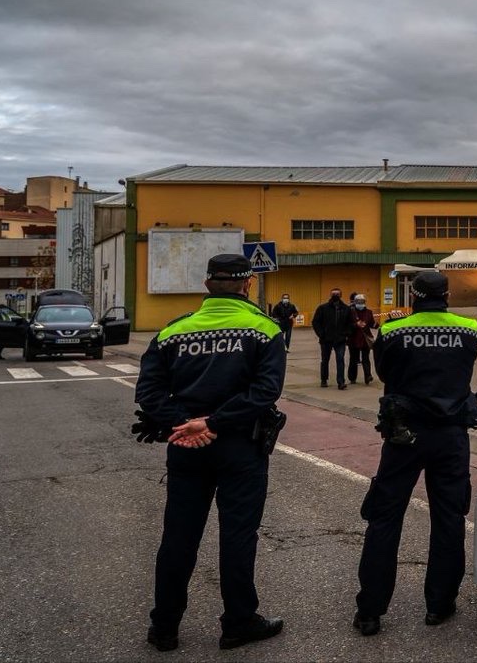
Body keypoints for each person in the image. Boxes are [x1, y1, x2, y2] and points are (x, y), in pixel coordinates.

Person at [134, 253, 286, 653]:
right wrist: (214, 423)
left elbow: (148, 394)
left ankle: (164, 628)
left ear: (207, 286)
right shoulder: (264, 329)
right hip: (240, 445)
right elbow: (265, 391)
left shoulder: (172, 331)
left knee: (178, 538)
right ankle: (238, 623)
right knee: (238, 536)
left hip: (186, 445)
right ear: (247, 285)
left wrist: (186, 423)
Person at [354, 270, 477, 636]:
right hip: (451, 436)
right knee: (448, 518)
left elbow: (384, 373)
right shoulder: (469, 328)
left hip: (403, 434)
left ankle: (371, 612)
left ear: (414, 294)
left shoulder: (394, 331)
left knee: (385, 518)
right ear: (447, 295)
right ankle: (439, 606)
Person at [312, 287, 351, 390]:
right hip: (326, 339)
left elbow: (350, 323)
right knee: (325, 360)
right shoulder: (323, 308)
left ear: (341, 295)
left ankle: (341, 382)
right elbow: (315, 322)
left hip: (340, 340)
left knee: (340, 360)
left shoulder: (346, 309)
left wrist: (346, 334)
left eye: (337, 294)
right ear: (330, 295)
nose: (335, 296)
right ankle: (324, 380)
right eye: (333, 294)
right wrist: (321, 334)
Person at [348, 293, 376, 385]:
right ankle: (352, 378)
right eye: (358, 301)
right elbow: (346, 325)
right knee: (353, 359)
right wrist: (356, 325)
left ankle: (368, 376)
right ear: (355, 302)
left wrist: (380, 326)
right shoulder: (350, 312)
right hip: (353, 339)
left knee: (366, 359)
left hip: (365, 339)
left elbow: (372, 323)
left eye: (362, 301)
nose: (360, 303)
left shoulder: (369, 312)